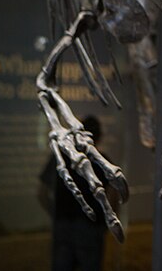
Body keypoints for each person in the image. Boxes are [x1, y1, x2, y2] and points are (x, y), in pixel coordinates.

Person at [37, 115, 110, 271]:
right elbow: (113, 199)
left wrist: (58, 215)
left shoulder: (60, 158)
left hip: (66, 226)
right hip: (89, 229)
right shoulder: (102, 163)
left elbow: (42, 193)